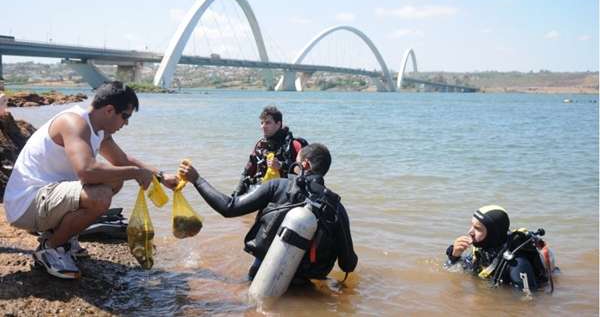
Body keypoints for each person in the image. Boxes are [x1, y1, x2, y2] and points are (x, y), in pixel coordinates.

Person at [3, 81, 178, 279]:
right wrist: (136, 173)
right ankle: (49, 249)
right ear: (110, 110)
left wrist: (161, 177)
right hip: (26, 204)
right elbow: (86, 171)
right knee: (101, 194)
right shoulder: (73, 122)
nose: (126, 123)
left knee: (115, 180)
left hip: (45, 199)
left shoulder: (98, 130)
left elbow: (122, 160)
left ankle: (65, 237)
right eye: (125, 117)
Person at [179, 143, 357, 282]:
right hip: (305, 287)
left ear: (305, 164)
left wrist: (197, 180)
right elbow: (348, 264)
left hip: (263, 278)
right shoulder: (336, 208)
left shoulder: (277, 186)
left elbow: (229, 207)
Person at [445, 205, 553, 292]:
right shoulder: (483, 249)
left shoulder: (517, 265)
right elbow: (457, 270)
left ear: (493, 233)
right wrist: (455, 256)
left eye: (477, 228)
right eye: (471, 226)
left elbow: (528, 302)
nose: (470, 232)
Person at [234, 105, 307, 196]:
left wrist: (281, 166)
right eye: (262, 123)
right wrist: (236, 194)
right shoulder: (260, 146)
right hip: (260, 191)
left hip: (285, 194)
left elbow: (305, 172)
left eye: (268, 123)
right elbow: (247, 172)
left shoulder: (295, 145)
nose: (263, 126)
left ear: (278, 124)